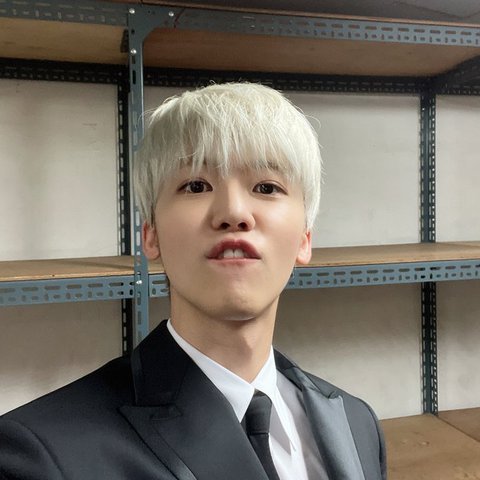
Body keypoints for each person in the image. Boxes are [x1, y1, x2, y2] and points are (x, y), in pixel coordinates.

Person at [0, 83, 386, 480]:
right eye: (196, 186)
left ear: (304, 239)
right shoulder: (38, 457)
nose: (233, 212)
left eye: (266, 187)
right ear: (151, 235)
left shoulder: (357, 424)